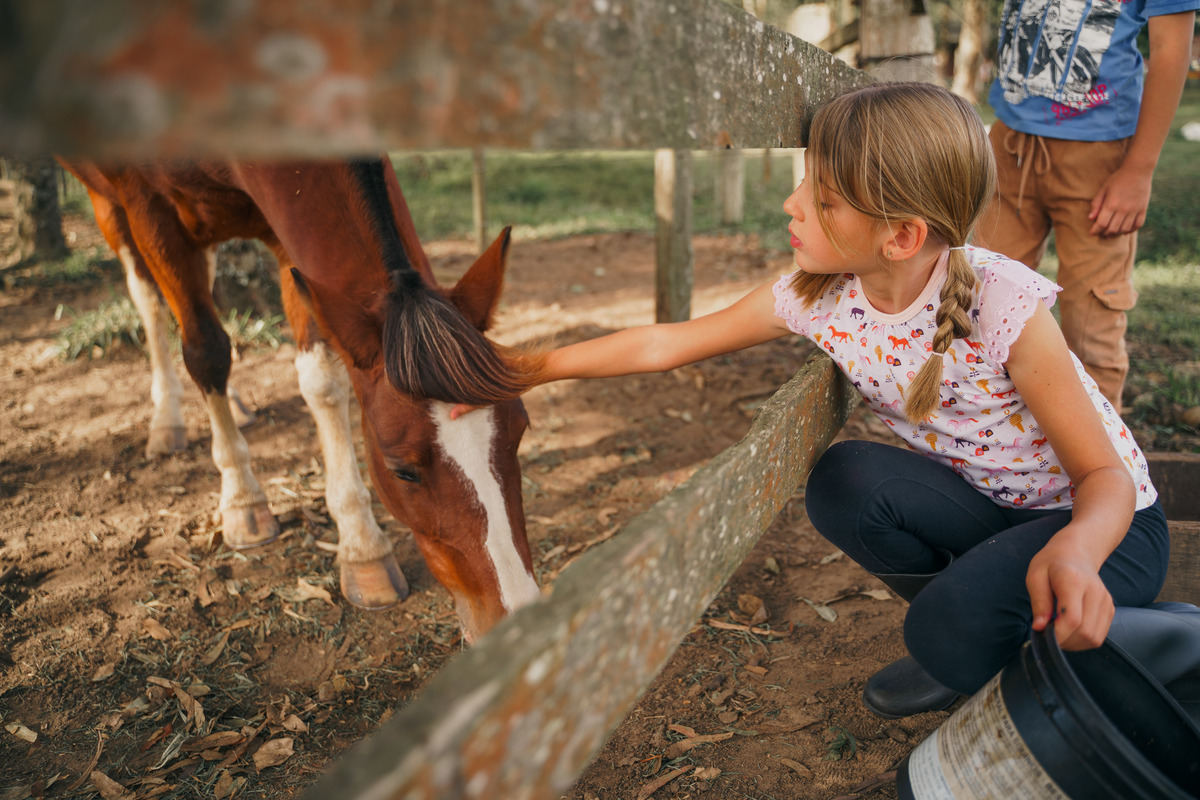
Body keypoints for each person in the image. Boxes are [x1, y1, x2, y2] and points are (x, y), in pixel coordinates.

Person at [452, 82, 1169, 718]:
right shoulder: (818, 296)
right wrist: (525, 369)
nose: (791, 205)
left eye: (821, 200)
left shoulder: (1002, 303)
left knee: (944, 631)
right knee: (843, 481)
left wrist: (1077, 551)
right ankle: (981, 619)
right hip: (997, 513)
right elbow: (665, 344)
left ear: (901, 236)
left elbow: (1104, 479)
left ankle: (1002, 634)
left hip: (1107, 531)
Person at [977, 0, 1199, 409]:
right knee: (978, 305)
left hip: (1098, 160)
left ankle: (1102, 463)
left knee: (1091, 324)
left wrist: (1138, 170)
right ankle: (993, 451)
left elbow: (1172, 51)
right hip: (1007, 146)